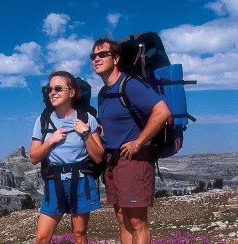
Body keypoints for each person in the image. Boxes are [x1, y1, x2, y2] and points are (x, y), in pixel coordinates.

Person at [91, 37, 171, 244]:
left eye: (102, 54)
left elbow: (162, 112)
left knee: (137, 222)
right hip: (113, 161)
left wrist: (138, 141)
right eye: (93, 56)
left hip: (134, 161)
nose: (96, 59)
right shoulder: (103, 93)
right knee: (121, 218)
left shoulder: (130, 84)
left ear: (116, 58)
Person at [30, 70, 104, 244]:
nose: (52, 93)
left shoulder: (87, 119)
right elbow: (34, 157)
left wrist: (86, 133)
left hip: (81, 181)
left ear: (71, 93)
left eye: (58, 88)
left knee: (79, 234)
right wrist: (51, 141)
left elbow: (99, 156)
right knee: (41, 237)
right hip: (54, 180)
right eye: (50, 89)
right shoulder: (43, 120)